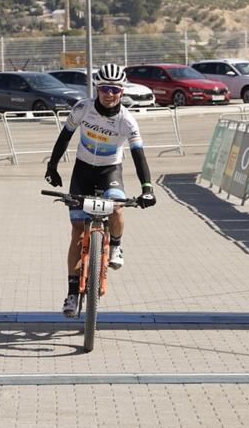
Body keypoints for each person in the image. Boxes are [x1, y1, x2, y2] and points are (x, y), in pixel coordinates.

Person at [43, 64, 155, 318]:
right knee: (76, 231)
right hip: (82, 172)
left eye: (114, 89)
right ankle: (72, 293)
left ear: (121, 90)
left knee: (116, 207)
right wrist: (52, 166)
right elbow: (64, 137)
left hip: (109, 173)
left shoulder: (127, 120)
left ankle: (115, 245)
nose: (109, 94)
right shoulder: (82, 108)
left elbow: (139, 156)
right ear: (97, 88)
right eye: (104, 88)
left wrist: (147, 189)